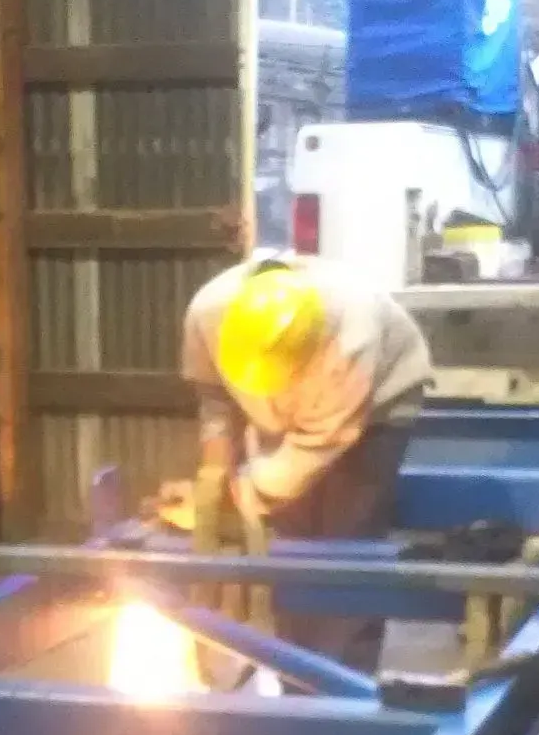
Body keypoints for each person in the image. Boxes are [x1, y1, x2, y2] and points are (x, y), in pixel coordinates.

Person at [181, 251, 432, 670]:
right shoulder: (208, 311)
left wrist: (240, 494)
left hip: (378, 407)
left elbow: (312, 450)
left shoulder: (349, 342)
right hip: (296, 415)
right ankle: (297, 671)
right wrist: (213, 478)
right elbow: (213, 398)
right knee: (290, 546)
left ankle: (343, 687)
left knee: (345, 544)